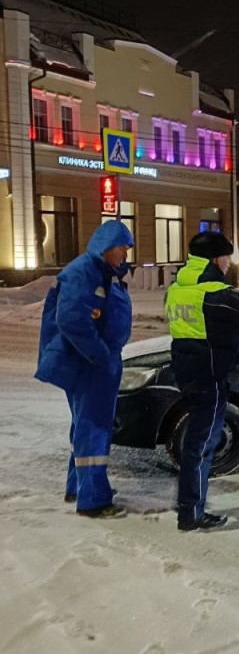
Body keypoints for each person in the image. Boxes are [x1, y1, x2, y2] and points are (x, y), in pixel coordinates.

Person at [165, 232, 239, 532]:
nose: (228, 264)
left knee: (198, 444)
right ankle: (190, 514)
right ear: (215, 258)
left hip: (189, 372)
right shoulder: (212, 294)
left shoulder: (177, 289)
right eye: (226, 258)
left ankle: (191, 507)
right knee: (200, 447)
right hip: (208, 379)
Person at [35, 221, 135, 519]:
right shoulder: (85, 271)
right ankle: (94, 500)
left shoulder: (102, 272)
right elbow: (72, 321)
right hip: (91, 364)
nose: (125, 256)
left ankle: (77, 487)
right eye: (121, 248)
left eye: (127, 250)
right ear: (106, 246)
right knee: (95, 428)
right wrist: (102, 356)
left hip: (93, 362)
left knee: (84, 424)